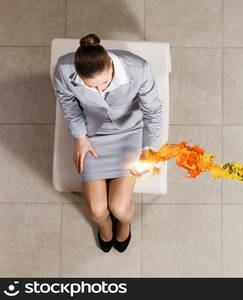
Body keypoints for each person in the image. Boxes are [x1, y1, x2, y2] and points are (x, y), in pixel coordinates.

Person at [52, 33, 162, 253]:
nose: (100, 90)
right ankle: (104, 227)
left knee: (119, 208)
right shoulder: (64, 69)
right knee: (96, 209)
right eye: (91, 87)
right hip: (91, 133)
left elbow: (153, 111)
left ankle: (124, 223)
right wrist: (81, 138)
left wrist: (148, 148)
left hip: (129, 131)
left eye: (104, 83)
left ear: (111, 65)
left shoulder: (138, 68)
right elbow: (69, 105)